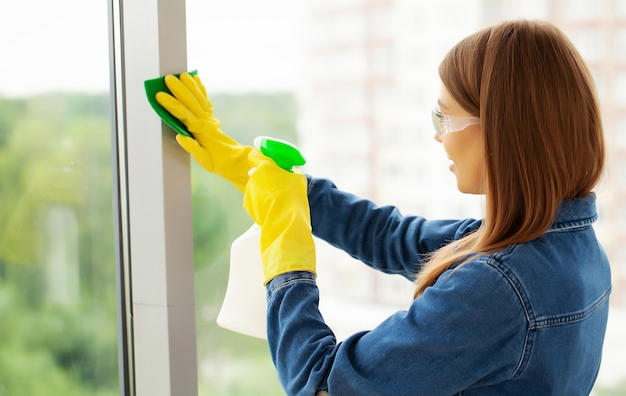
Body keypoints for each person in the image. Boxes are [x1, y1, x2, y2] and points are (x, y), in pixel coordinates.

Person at [156, 19, 611, 396]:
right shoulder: (568, 249)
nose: (438, 135)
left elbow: (323, 386)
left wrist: (285, 254)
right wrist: (254, 170)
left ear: (499, 130)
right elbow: (393, 238)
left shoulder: (498, 289)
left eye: (444, 117)